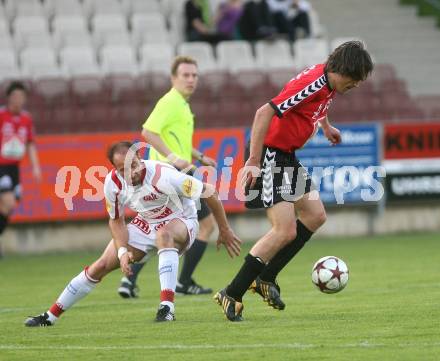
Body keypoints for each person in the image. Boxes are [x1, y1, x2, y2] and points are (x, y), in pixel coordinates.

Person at [214, 41, 374, 321]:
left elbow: (315, 107)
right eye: (354, 79)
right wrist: (253, 161)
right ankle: (232, 292)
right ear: (342, 70)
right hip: (269, 155)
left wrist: (325, 126)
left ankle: (266, 277)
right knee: (284, 230)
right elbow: (263, 112)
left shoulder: (328, 83)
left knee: (315, 215)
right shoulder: (314, 83)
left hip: (285, 155)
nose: (356, 85)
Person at [24, 141, 241, 326]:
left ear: (140, 157)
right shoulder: (112, 184)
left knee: (164, 235)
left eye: (134, 165)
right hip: (145, 222)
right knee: (100, 266)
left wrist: (224, 229)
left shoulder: (163, 174)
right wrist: (121, 253)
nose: (131, 173)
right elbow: (116, 220)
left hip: (182, 220)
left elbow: (209, 191)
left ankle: (167, 308)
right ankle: (50, 316)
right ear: (114, 169)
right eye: (122, 169)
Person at [117, 56, 220, 298]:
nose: (191, 79)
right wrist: (174, 158)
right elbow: (147, 132)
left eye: (194, 75)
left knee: (161, 232)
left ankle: (129, 281)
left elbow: (173, 137)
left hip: (174, 173)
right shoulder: (171, 101)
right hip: (170, 175)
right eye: (185, 75)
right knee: (205, 225)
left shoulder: (182, 104)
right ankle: (183, 282)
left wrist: (198, 155)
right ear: (173, 78)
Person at [0, 81, 41, 256]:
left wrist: (36, 167)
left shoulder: (26, 118)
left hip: (14, 167)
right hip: (1, 166)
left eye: (21, 96)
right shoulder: (2, 115)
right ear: (9, 98)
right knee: (8, 202)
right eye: (15, 96)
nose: (18, 100)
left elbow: (30, 144)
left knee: (9, 206)